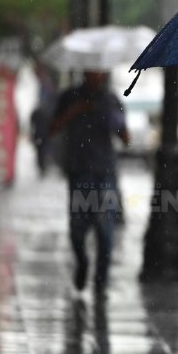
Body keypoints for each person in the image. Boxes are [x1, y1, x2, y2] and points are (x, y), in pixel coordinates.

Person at [49, 71, 129, 296]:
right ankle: (82, 262)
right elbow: (53, 128)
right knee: (77, 231)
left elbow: (125, 138)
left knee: (105, 232)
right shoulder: (69, 97)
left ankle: (101, 281)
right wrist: (74, 111)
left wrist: (111, 118)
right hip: (79, 173)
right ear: (85, 71)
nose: (96, 75)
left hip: (105, 175)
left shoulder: (111, 100)